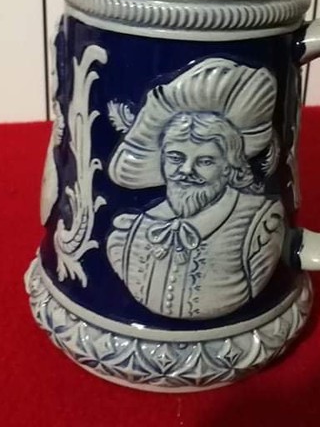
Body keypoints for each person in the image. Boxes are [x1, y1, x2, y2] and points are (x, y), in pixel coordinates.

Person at [106, 58, 285, 320]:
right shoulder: (130, 231)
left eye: (205, 161)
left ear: (229, 166)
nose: (186, 171)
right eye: (176, 157)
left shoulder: (259, 225)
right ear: (162, 159)